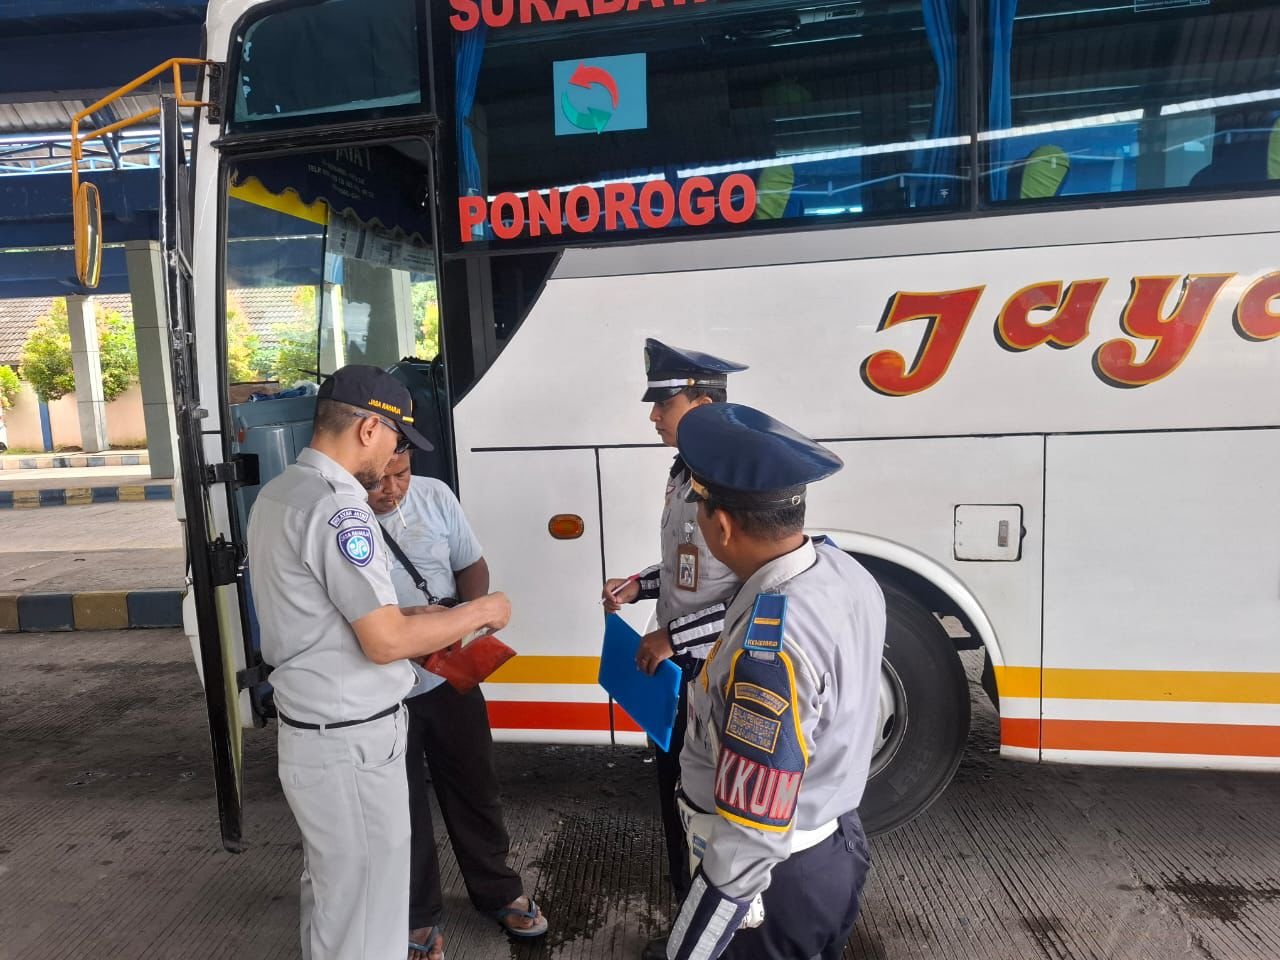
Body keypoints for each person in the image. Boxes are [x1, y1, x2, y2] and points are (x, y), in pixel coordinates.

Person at [247, 364, 512, 960]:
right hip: (353, 741)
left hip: (314, 731)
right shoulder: (340, 508)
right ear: (370, 428)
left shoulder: (282, 493)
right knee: (368, 918)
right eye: (397, 438)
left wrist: (419, 618)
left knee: (338, 904)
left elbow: (330, 617)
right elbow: (384, 642)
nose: (396, 456)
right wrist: (482, 611)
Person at [662, 402, 885, 960]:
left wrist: (691, 946)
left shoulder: (771, 647)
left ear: (724, 524)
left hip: (775, 883)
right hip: (833, 845)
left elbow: (753, 828)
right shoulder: (843, 572)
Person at [367, 452, 548, 960]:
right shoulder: (341, 517)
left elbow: (472, 563)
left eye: (400, 474)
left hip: (448, 673)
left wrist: (465, 618)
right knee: (399, 805)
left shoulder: (435, 495)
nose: (392, 488)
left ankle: (497, 889)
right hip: (380, 686)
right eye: (379, 479)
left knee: (475, 784)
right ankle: (415, 914)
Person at [602, 338, 748, 905]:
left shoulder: (732, 481)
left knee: (707, 802)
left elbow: (752, 594)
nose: (653, 415)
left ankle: (709, 920)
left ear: (703, 406)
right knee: (676, 792)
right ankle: (686, 904)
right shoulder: (685, 471)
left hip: (712, 671)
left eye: (664, 402)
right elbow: (688, 568)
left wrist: (673, 637)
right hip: (678, 671)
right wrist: (640, 585)